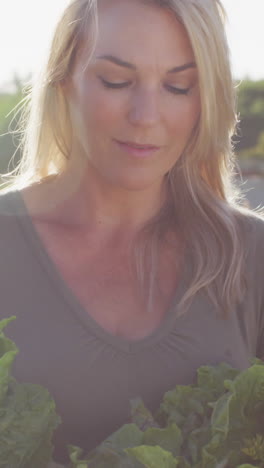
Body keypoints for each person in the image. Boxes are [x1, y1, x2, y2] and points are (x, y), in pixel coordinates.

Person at [0, 0, 263, 464]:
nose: (146, 115)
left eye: (179, 86)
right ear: (65, 80)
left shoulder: (251, 255)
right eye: (116, 81)